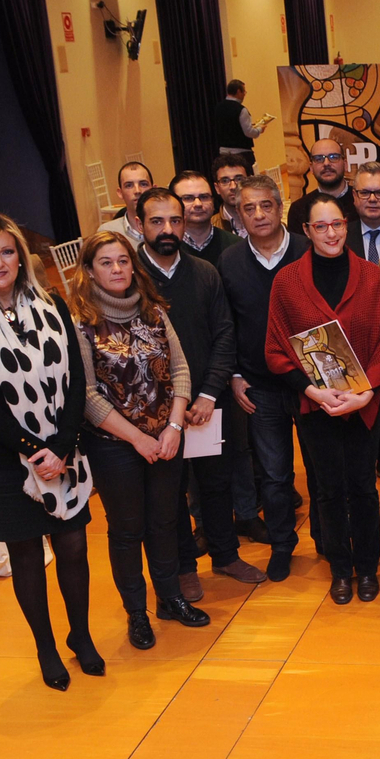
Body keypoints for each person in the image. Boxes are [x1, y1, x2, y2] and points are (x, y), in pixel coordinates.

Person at [0, 213, 100, 690]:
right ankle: (46, 647)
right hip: (2, 461)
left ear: (21, 257)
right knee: (28, 556)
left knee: (74, 545)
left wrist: (61, 446)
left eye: (7, 251)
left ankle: (80, 635)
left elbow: (76, 380)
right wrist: (34, 450)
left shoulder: (53, 303)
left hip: (62, 449)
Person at [71, 231, 209, 650]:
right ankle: (136, 612)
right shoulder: (81, 320)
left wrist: (174, 427)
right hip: (114, 445)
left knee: (167, 521)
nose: (117, 269)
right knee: (128, 530)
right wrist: (137, 439)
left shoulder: (153, 311)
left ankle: (170, 598)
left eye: (123, 261)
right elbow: (87, 394)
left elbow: (181, 369)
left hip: (166, 437)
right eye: (107, 263)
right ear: (90, 271)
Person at [266, 192, 380, 605]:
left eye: (337, 224)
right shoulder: (286, 282)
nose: (330, 233)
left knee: (363, 487)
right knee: (328, 490)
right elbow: (275, 350)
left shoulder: (371, 275)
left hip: (363, 408)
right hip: (315, 406)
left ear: (348, 225)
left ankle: (368, 569)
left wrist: (363, 395)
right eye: (320, 226)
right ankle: (341, 571)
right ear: (305, 231)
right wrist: (312, 391)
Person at [134, 186, 266, 598]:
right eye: (157, 221)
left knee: (216, 482)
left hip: (210, 402)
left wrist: (208, 394)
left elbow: (225, 334)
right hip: (155, 410)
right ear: (139, 224)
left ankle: (226, 555)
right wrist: (172, 405)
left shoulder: (204, 272)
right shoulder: (130, 278)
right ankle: (185, 565)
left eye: (174, 220)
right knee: (170, 491)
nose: (168, 229)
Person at [219, 175, 309, 581]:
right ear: (239, 215)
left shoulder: (309, 253)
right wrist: (235, 375)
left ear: (280, 207)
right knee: (274, 474)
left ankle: (327, 538)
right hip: (259, 385)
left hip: (311, 383)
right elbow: (228, 325)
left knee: (322, 467)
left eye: (265, 206)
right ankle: (282, 544)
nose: (258, 214)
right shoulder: (231, 262)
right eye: (248, 208)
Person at [286, 138, 357, 234]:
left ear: (345, 164)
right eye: (319, 159)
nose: (326, 163)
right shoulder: (298, 209)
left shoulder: (362, 201)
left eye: (333, 157)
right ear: (311, 168)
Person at [169, 171, 240, 266]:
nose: (198, 204)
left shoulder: (236, 246)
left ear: (213, 201)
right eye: (188, 198)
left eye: (204, 197)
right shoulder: (167, 247)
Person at [215, 79, 266, 169]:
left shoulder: (218, 107)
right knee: (248, 180)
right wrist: (259, 130)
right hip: (241, 153)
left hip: (223, 152)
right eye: (244, 92)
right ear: (238, 91)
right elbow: (248, 132)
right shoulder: (241, 110)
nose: (244, 95)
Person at [100, 162, 153, 244]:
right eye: (129, 185)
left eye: (143, 184)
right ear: (120, 193)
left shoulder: (166, 228)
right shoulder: (107, 233)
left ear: (153, 189)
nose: (137, 191)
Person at [212, 154, 254, 238]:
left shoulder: (264, 219)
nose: (233, 187)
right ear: (217, 188)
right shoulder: (211, 228)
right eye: (225, 181)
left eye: (239, 179)